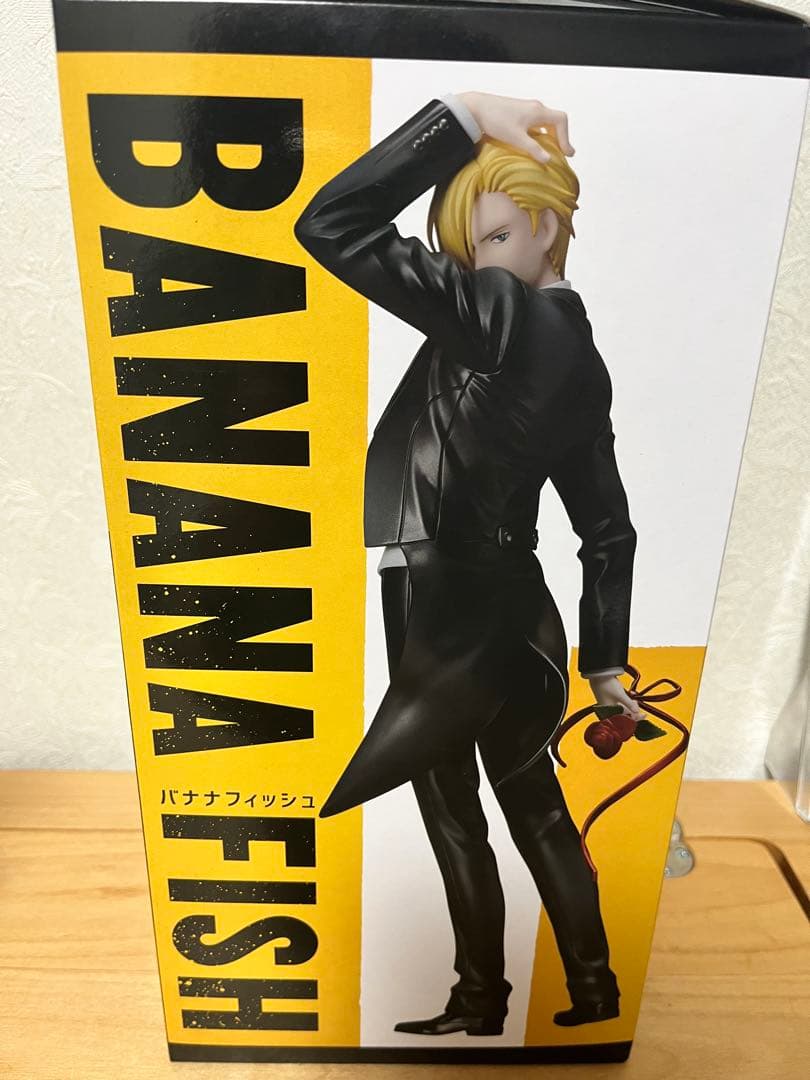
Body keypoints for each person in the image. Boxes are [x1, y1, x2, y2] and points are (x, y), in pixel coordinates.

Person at [294, 91, 640, 1035]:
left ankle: (481, 998)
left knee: (455, 814)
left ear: (546, 224)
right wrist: (606, 663)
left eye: (492, 237)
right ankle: (596, 991)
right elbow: (608, 529)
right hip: (521, 613)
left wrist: (458, 114)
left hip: (442, 603)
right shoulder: (584, 360)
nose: (474, 263)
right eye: (465, 247)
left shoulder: (499, 312)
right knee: (536, 809)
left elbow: (331, 223)